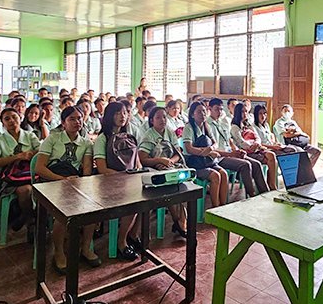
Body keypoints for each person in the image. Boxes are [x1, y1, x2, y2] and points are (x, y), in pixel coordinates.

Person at [36, 105, 101, 270]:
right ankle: (58, 252)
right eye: (72, 119)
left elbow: (86, 170)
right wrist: (63, 180)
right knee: (63, 210)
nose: (77, 122)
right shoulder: (52, 139)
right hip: (52, 182)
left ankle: (85, 248)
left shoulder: (86, 143)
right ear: (63, 123)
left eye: (79, 118)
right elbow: (40, 168)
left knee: (92, 207)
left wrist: (82, 186)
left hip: (75, 182)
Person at [93, 101, 142, 261]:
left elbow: (137, 163)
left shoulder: (129, 136)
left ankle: (133, 235)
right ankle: (121, 242)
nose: (122, 116)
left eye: (124, 113)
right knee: (134, 202)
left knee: (149, 197)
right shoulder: (103, 138)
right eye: (117, 113)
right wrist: (125, 178)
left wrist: (138, 175)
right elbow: (102, 169)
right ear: (109, 116)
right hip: (109, 184)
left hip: (129, 180)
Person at [0, 107, 40, 242]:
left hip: (32, 175)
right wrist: (17, 157)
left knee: (45, 189)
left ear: (21, 118)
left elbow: (42, 151)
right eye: (6, 119)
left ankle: (24, 217)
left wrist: (31, 154)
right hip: (10, 179)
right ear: (2, 123)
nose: (11, 121)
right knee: (25, 190)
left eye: (14, 117)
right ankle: (31, 222)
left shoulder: (30, 135)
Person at [139, 106, 188, 237]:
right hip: (153, 170)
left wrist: (169, 161)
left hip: (169, 166)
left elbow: (178, 153)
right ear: (151, 121)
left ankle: (180, 221)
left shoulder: (170, 132)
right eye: (158, 117)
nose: (163, 120)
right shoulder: (149, 135)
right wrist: (159, 161)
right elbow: (142, 158)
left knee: (180, 188)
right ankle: (179, 222)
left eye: (164, 117)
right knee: (170, 186)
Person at [206, 98, 268, 196]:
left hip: (230, 152)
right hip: (220, 157)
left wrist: (237, 151)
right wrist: (231, 153)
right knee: (246, 165)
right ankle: (251, 195)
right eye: (217, 109)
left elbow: (229, 141)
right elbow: (212, 148)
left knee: (256, 164)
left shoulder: (222, 123)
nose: (219, 112)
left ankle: (264, 192)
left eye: (221, 109)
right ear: (209, 109)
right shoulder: (207, 125)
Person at [181, 102, 229, 209]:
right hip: (195, 163)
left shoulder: (206, 126)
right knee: (215, 176)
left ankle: (223, 205)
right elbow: (189, 149)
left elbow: (215, 143)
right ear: (192, 115)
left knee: (224, 174)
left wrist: (211, 149)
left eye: (203, 111)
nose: (202, 114)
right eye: (199, 111)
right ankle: (215, 207)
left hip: (208, 161)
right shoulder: (189, 128)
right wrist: (205, 152)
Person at [230, 103, 278, 190]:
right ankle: (265, 188)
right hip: (246, 151)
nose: (244, 114)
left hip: (256, 148)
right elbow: (241, 142)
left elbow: (257, 137)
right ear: (237, 113)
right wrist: (254, 146)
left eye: (246, 111)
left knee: (271, 155)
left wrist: (257, 143)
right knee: (267, 160)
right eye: (242, 112)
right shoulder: (234, 127)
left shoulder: (248, 125)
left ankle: (272, 184)